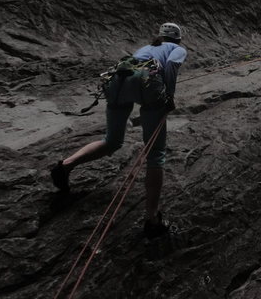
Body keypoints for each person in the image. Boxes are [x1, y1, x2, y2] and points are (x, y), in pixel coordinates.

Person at [50, 22, 187, 239]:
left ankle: (66, 165)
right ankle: (152, 218)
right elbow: (170, 66)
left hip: (119, 81)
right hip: (147, 85)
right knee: (155, 154)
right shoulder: (178, 49)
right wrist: (169, 96)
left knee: (112, 140)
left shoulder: (146, 48)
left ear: (159, 36)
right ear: (178, 39)